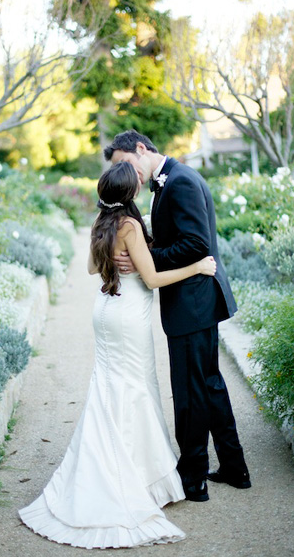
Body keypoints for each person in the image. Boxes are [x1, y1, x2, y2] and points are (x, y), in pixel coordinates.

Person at [19, 161, 217, 548]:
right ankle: (130, 476)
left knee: (110, 388)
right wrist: (197, 265)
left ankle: (121, 466)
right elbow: (154, 279)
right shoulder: (129, 225)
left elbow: (94, 267)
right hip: (128, 314)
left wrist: (117, 257)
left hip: (106, 310)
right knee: (135, 389)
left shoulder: (102, 222)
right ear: (131, 192)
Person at [105, 129, 250, 503]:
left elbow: (196, 244)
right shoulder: (170, 180)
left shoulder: (180, 181)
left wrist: (145, 260)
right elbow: (180, 237)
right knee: (210, 384)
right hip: (195, 300)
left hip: (194, 302)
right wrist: (149, 246)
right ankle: (235, 468)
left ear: (141, 149)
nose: (125, 173)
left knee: (190, 392)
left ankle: (193, 478)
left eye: (125, 163)